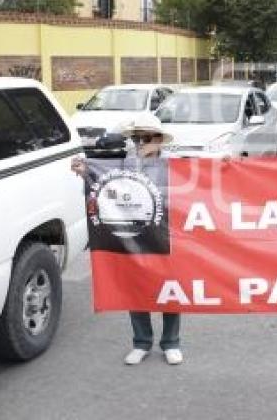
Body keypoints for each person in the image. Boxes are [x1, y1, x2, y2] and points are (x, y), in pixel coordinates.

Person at [72, 113, 183, 366]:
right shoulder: (124, 164)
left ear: (158, 140)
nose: (139, 143)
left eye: (145, 138)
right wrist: (84, 171)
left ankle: (171, 343)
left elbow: (202, 179)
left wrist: (225, 164)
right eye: (135, 138)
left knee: (170, 290)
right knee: (137, 288)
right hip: (134, 237)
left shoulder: (174, 164)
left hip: (167, 236)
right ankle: (141, 342)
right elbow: (103, 184)